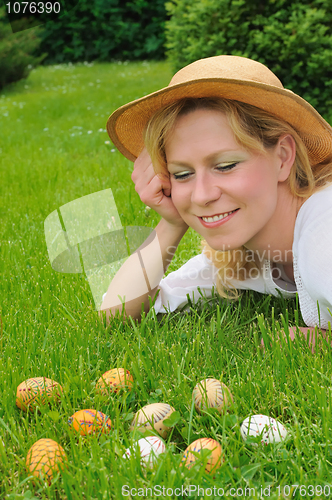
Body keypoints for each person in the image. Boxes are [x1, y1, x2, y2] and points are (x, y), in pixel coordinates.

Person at [99, 55, 332, 350]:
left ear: (283, 156)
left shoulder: (323, 225)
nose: (201, 195)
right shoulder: (245, 254)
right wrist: (171, 223)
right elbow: (116, 313)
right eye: (182, 174)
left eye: (225, 166)